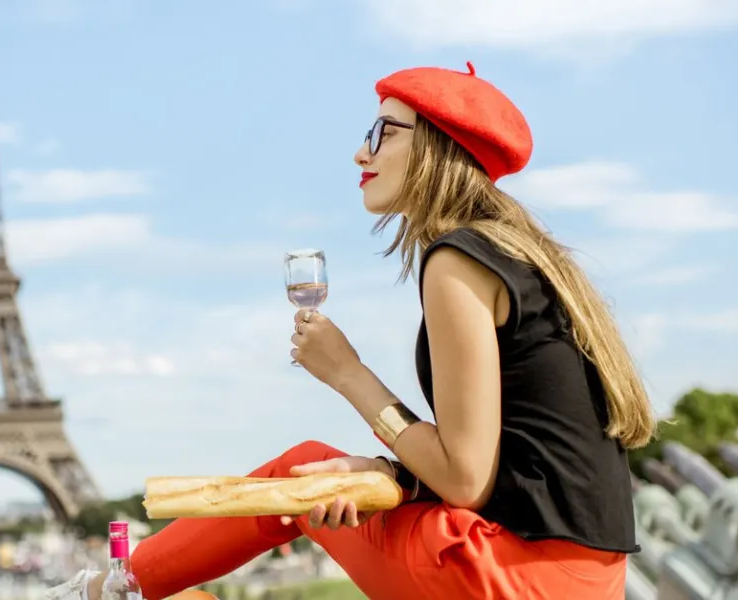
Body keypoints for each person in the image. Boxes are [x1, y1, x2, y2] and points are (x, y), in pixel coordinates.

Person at [45, 62, 655, 600]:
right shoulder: (526, 260)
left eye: (382, 132)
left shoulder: (457, 260)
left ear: (439, 146)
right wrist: (392, 474)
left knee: (299, 470)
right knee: (317, 471)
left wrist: (347, 374)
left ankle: (105, 591)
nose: (361, 154)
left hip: (510, 577)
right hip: (589, 579)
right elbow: (517, 462)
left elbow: (468, 480)